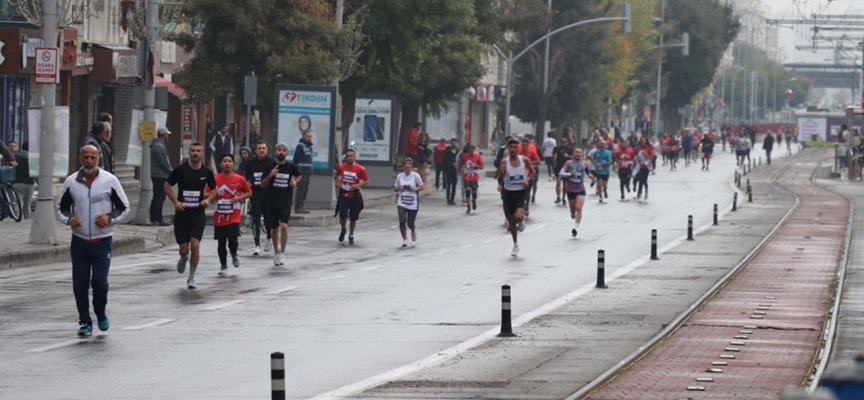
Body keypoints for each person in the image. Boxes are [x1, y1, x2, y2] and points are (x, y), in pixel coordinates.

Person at [56, 145, 129, 336]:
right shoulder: (71, 182)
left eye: (92, 157)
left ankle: (100, 313)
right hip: (79, 242)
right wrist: (69, 219)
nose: (89, 161)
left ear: (98, 159)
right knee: (80, 285)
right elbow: (61, 208)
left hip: (102, 241)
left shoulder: (110, 180)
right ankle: (85, 322)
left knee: (99, 283)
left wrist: (109, 218)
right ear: (80, 159)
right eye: (86, 157)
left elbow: (124, 207)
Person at [164, 142, 217, 289]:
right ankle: (183, 257)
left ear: (202, 154)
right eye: (193, 150)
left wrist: (208, 200)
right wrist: (175, 202)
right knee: (184, 249)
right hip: (182, 214)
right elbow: (167, 186)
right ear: (189, 153)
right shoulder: (180, 170)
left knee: (195, 244)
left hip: (198, 214)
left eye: (198, 151)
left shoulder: (206, 172)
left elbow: (215, 189)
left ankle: (192, 278)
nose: (195, 153)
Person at [262, 143, 304, 266]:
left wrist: (295, 182)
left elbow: (299, 175)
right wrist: (271, 175)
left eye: (284, 150)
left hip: (285, 201)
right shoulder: (269, 166)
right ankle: (276, 252)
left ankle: (282, 253)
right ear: (275, 152)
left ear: (287, 153)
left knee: (284, 226)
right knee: (274, 229)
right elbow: (262, 184)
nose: (281, 152)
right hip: (272, 201)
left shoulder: (290, 167)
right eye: (279, 150)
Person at [212, 154, 251, 275]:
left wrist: (238, 198)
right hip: (219, 215)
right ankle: (223, 266)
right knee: (221, 242)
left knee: (233, 240)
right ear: (220, 164)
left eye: (230, 161)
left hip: (234, 216)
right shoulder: (215, 179)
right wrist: (213, 195)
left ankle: (234, 253)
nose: (227, 163)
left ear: (233, 164)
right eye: (225, 161)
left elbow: (249, 192)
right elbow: (206, 194)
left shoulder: (239, 179)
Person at [498, 139, 534, 257]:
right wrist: (502, 174)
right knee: (512, 221)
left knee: (518, 217)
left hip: (520, 192)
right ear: (508, 148)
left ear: (518, 148)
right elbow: (500, 180)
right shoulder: (504, 162)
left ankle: (521, 219)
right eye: (511, 147)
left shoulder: (524, 160)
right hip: (508, 193)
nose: (513, 149)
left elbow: (532, 171)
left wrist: (527, 180)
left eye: (515, 147)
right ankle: (515, 244)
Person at [244, 141, 275, 256]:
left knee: (268, 219)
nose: (261, 150)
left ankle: (269, 237)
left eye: (263, 148)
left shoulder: (271, 162)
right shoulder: (251, 163)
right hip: (255, 195)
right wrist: (248, 183)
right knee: (256, 219)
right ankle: (257, 245)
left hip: (268, 195)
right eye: (259, 148)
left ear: (266, 150)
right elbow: (247, 176)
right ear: (255, 150)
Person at [335, 148, 369, 245]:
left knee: (353, 217)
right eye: (348, 156)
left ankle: (351, 234)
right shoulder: (341, 167)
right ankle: (343, 229)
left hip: (355, 195)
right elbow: (337, 175)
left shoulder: (360, 168)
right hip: (344, 195)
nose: (350, 158)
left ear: (354, 157)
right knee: (342, 215)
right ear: (345, 157)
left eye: (351, 156)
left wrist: (357, 185)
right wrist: (338, 183)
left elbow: (366, 181)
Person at [559, 148, 590, 237]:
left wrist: (592, 178)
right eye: (576, 152)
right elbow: (560, 173)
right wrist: (570, 174)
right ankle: (572, 213)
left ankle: (576, 228)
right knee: (573, 210)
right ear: (573, 154)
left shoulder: (584, 164)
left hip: (580, 189)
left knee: (579, 207)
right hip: (570, 190)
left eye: (579, 152)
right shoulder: (569, 163)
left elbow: (588, 172)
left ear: (582, 154)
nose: (577, 154)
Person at [393, 158, 424, 247]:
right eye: (406, 164)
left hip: (412, 203)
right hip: (401, 203)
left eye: (409, 164)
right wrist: (399, 188)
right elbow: (395, 188)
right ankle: (405, 239)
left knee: (410, 223)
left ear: (411, 166)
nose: (407, 165)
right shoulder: (400, 176)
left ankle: (413, 229)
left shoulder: (415, 176)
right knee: (402, 220)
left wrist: (415, 188)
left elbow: (422, 186)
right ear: (404, 165)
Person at [149, 126, 172, 226]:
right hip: (160, 175)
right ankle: (157, 218)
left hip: (157, 175)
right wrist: (171, 172)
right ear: (164, 135)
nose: (168, 136)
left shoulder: (157, 145)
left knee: (157, 197)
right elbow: (163, 163)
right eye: (167, 134)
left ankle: (154, 218)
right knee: (160, 197)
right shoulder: (159, 147)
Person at [8, 141, 33, 219]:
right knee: (27, 205)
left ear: (22, 147)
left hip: (17, 183)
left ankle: (19, 218)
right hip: (30, 184)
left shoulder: (16, 157)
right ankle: (27, 220)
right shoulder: (33, 158)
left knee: (18, 203)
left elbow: (10, 166)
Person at [293, 131, 314, 214]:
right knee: (301, 190)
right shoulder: (300, 146)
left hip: (307, 172)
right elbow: (296, 159)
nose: (309, 138)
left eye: (310, 136)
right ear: (304, 136)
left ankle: (301, 206)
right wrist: (297, 171)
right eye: (308, 136)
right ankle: (298, 207)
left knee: (305, 190)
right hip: (302, 172)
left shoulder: (309, 147)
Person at [518, 137, 541, 211]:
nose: (524, 147)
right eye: (523, 145)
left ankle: (527, 205)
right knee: (520, 191)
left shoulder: (531, 152)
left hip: (529, 174)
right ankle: (520, 204)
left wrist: (529, 163)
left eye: (526, 145)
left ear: (528, 145)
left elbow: (538, 161)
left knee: (527, 192)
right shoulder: (518, 152)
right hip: (520, 174)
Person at [461, 144, 484, 213]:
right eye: (470, 149)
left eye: (472, 149)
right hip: (466, 176)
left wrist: (475, 166)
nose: (471, 150)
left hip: (474, 177)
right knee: (467, 190)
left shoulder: (478, 156)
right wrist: (462, 168)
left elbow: (482, 166)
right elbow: (463, 164)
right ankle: (468, 207)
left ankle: (474, 200)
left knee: (474, 192)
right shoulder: (465, 156)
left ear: (474, 150)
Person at [553, 136, 574, 206]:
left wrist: (568, 156)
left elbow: (573, 157)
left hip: (566, 168)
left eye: (565, 142)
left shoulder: (570, 149)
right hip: (558, 166)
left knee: (565, 184)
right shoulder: (557, 148)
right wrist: (554, 158)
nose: (563, 143)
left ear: (567, 142)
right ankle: (558, 197)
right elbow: (554, 154)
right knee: (558, 182)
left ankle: (563, 197)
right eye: (562, 141)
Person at [634, 137, 654, 203]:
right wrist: (635, 158)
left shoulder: (649, 148)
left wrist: (646, 155)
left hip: (646, 166)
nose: (642, 141)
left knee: (645, 181)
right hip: (639, 167)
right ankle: (639, 194)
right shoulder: (637, 148)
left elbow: (651, 158)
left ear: (646, 141)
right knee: (641, 180)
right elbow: (635, 155)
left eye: (644, 140)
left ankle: (646, 191)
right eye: (641, 140)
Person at [442, 139, 460, 205]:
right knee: (448, 185)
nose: (453, 144)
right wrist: (451, 163)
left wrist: (457, 164)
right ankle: (448, 198)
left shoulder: (458, 151)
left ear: (456, 144)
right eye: (452, 143)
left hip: (455, 171)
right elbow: (444, 159)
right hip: (448, 170)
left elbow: (460, 160)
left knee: (454, 186)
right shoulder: (447, 150)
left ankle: (452, 199)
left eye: (454, 143)